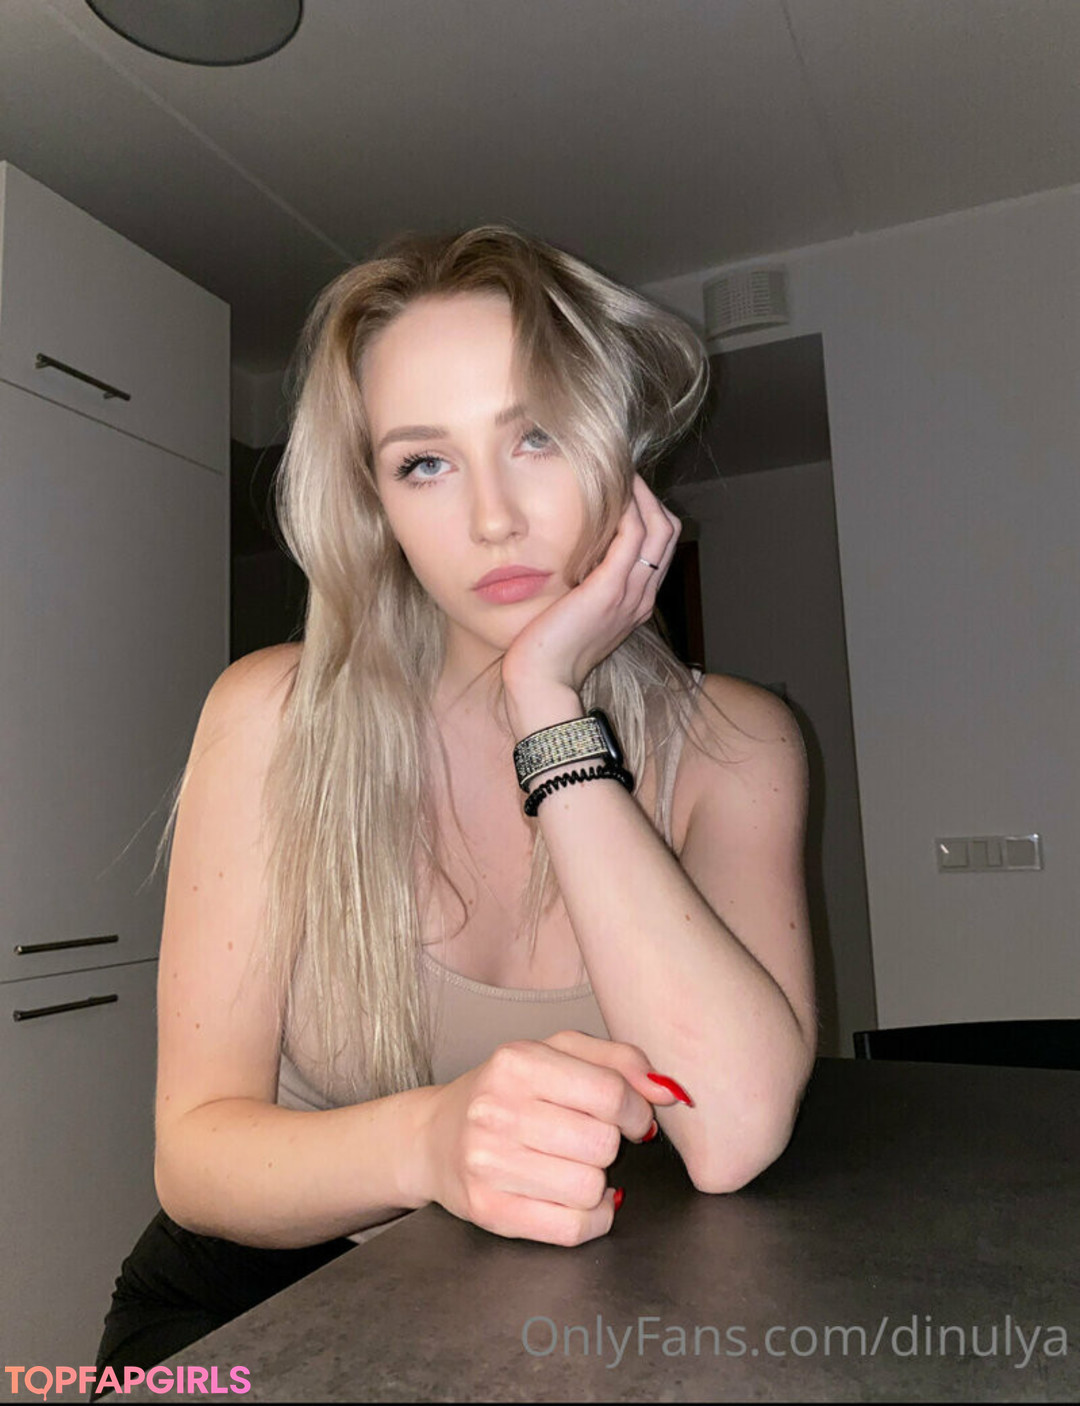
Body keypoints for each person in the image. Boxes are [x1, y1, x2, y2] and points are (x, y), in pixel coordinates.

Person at [90, 225, 816, 1396]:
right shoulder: (273, 717)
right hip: (250, 1308)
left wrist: (548, 708)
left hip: (564, 1315)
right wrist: (430, 1139)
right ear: (375, 503)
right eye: (424, 462)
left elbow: (732, 1135)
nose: (492, 517)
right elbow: (196, 1153)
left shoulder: (738, 746)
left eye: (536, 435)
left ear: (617, 448)